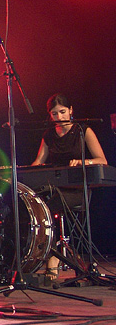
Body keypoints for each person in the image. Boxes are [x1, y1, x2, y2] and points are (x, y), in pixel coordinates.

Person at [31, 93, 107, 284]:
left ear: (71, 111)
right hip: (56, 189)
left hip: (77, 191)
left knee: (48, 204)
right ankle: (43, 252)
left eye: (63, 112)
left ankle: (54, 256)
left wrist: (83, 162)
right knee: (36, 203)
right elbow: (39, 162)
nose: (60, 117)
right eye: (55, 114)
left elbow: (102, 160)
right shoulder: (49, 135)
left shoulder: (83, 130)